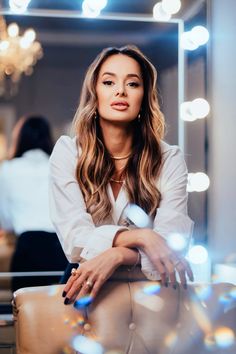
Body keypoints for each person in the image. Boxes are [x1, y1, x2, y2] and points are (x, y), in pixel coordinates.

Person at [49, 45, 194, 307]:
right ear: (95, 93)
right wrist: (143, 237)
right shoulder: (68, 152)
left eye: (133, 83)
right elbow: (75, 239)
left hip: (151, 294)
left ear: (144, 97)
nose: (120, 91)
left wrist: (116, 255)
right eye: (108, 82)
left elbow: (171, 245)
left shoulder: (169, 158)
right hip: (84, 288)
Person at [0, 115, 68, 291]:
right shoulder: (58, 167)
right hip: (58, 247)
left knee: (24, 310)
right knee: (60, 311)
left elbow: (5, 220)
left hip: (27, 247)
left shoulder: (8, 169)